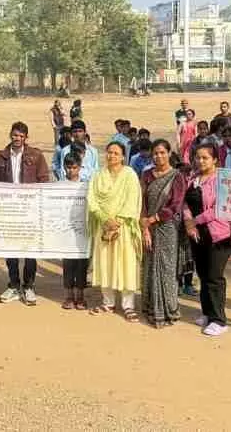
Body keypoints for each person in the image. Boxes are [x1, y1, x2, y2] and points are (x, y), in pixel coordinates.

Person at [0, 122, 50, 306]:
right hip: (9, 209)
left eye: (21, 136)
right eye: (15, 135)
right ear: (10, 135)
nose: (17, 138)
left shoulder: (36, 155)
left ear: (26, 137)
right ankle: (14, 284)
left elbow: (43, 180)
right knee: (11, 249)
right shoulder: (0, 157)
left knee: (30, 249)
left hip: (29, 209)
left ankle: (29, 286)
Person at [184, 143, 231, 337]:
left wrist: (195, 221)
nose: (200, 161)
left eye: (205, 157)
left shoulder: (222, 180)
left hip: (218, 235)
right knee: (203, 275)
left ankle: (219, 320)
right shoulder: (192, 178)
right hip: (197, 235)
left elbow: (219, 207)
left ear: (215, 160)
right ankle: (207, 312)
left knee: (215, 277)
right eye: (197, 157)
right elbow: (185, 202)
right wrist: (188, 222)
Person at [87, 142, 142, 321]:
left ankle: (128, 305)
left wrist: (117, 222)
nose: (111, 156)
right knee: (105, 262)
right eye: (109, 152)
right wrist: (104, 219)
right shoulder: (98, 175)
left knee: (125, 263)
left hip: (123, 227)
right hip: (103, 226)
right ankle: (108, 302)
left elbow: (133, 199)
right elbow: (92, 199)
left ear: (123, 156)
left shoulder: (129, 174)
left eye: (116, 153)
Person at [140, 140, 187, 327]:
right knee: (149, 265)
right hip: (148, 227)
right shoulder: (146, 175)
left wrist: (154, 218)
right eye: (155, 153)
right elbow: (141, 202)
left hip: (167, 227)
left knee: (166, 268)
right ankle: (151, 307)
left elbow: (176, 205)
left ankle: (168, 309)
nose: (158, 156)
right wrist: (144, 226)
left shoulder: (177, 176)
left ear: (169, 153)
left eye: (162, 152)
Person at [60, 151, 89, 310]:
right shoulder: (59, 186)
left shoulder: (86, 185)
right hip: (65, 231)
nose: (71, 170)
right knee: (68, 264)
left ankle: (81, 296)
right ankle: (69, 296)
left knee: (82, 264)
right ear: (64, 167)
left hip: (83, 231)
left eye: (74, 167)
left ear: (80, 167)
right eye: (68, 167)